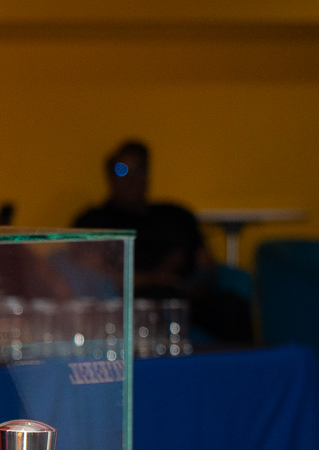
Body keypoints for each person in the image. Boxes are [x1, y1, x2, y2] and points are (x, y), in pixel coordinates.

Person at [73, 140, 253, 343]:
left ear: (148, 174)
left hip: (186, 297)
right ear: (109, 174)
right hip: (134, 302)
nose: (131, 178)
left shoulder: (175, 216)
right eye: (122, 169)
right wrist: (154, 278)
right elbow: (90, 275)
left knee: (232, 307)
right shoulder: (94, 221)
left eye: (139, 169)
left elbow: (207, 264)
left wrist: (198, 283)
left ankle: (243, 370)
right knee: (152, 310)